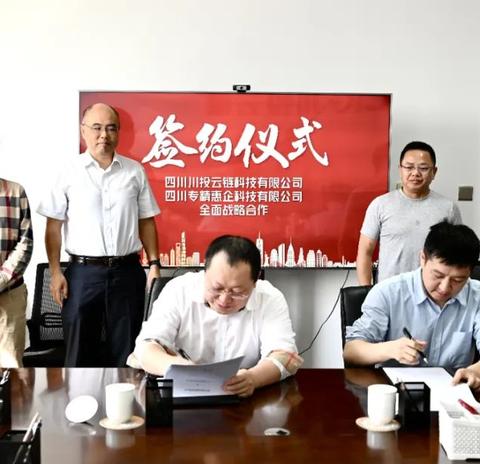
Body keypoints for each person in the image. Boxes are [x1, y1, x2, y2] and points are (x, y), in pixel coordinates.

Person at [37, 103, 161, 367]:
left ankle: (128, 397)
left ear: (118, 132)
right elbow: (53, 227)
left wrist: (154, 264)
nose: (104, 135)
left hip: (127, 272)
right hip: (83, 275)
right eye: (96, 128)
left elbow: (147, 221)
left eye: (111, 128)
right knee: (79, 354)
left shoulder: (134, 171)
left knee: (128, 353)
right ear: (83, 131)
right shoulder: (68, 171)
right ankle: (80, 396)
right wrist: (56, 272)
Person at [132, 235, 303, 397]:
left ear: (255, 282)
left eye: (238, 292)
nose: (224, 300)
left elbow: (284, 355)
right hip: (182, 395)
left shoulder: (270, 298)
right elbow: (146, 347)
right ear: (204, 272)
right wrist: (180, 368)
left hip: (243, 398)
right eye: (217, 288)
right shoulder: (178, 290)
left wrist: (253, 378)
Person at [344, 221, 480, 389]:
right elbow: (351, 351)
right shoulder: (388, 293)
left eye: (458, 280)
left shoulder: (477, 296)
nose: (444, 287)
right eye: (438, 275)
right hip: (395, 393)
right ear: (423, 259)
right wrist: (389, 349)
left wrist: (475, 371)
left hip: (454, 391)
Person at [356, 141, 462, 285]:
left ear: (434, 172)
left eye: (423, 168)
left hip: (433, 292)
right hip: (389, 291)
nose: (415, 173)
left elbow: (458, 254)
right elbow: (365, 252)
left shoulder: (449, 208)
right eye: (409, 167)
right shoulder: (380, 205)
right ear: (400, 170)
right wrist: (366, 291)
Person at [0, 179, 33, 367]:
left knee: (10, 370)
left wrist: (1, 279)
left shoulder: (15, 192)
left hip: (9, 295)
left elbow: (25, 244)